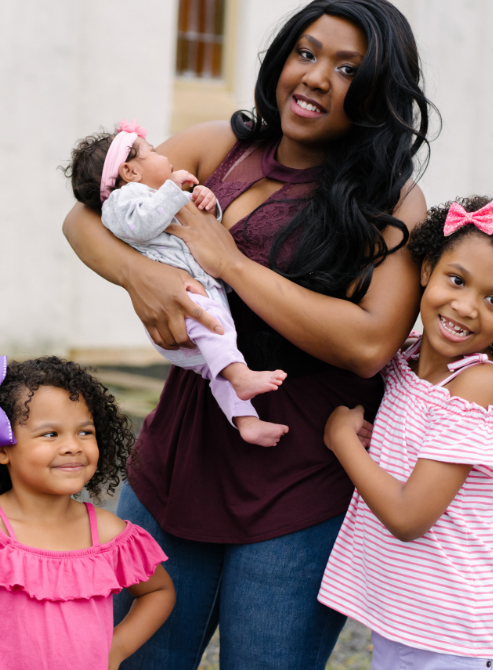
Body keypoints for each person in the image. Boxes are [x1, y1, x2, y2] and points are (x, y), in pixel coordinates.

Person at [62, 0, 436, 667]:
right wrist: (139, 278)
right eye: (307, 52)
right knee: (130, 657)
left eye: (348, 68)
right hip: (176, 456)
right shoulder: (219, 146)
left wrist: (227, 261)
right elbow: (82, 220)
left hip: (297, 476)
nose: (317, 76)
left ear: (379, 90)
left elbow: (369, 342)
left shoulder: (391, 199)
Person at [319, 197, 493, 669]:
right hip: (414, 622)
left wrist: (342, 441)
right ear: (427, 269)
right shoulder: (406, 358)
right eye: (456, 280)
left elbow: (408, 517)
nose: (465, 306)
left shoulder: (478, 386)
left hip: (463, 636)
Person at [63, 120, 288, 447]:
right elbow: (143, 225)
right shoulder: (123, 203)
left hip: (198, 301)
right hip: (181, 304)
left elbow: (206, 229)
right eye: (153, 152)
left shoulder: (159, 196)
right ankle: (241, 376)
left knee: (217, 370)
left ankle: (246, 421)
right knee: (220, 344)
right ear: (130, 172)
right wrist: (173, 188)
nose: (164, 156)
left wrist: (206, 200)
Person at [0, 356, 176, 669]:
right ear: (3, 449)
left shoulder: (108, 534)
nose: (73, 446)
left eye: (84, 432)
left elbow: (159, 591)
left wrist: (117, 647)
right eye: (50, 434)